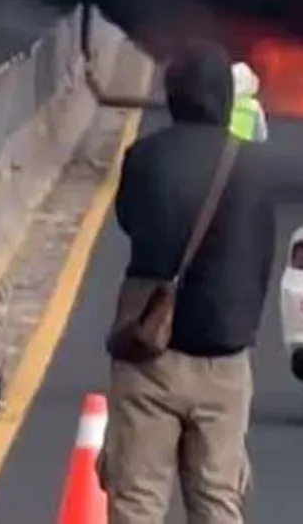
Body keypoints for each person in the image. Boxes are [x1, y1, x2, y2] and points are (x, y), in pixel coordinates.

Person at [102, 40, 276, 524]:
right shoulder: (256, 167)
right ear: (226, 97)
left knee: (137, 500)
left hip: (149, 351)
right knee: (217, 501)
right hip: (225, 360)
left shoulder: (144, 158)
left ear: (172, 96)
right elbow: (262, 254)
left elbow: (131, 221)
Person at [228, 62, 268, 142]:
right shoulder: (254, 106)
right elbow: (262, 135)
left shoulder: (225, 103)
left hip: (227, 147)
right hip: (248, 147)